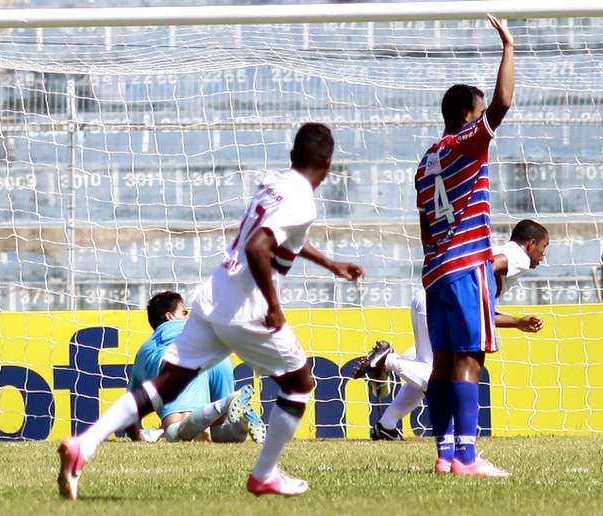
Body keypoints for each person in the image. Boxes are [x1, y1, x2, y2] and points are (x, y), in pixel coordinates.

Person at [57, 122, 364, 499]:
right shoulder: (303, 202)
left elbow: (281, 236)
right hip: (246, 310)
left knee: (164, 385)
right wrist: (273, 305)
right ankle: (265, 474)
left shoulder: (275, 181)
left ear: (292, 157)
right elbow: (258, 247)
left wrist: (331, 264)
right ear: (329, 163)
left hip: (212, 298)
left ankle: (84, 446)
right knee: (299, 387)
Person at [413, 14, 514, 477]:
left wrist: (438, 258)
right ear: (468, 117)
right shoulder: (464, 144)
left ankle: (444, 453)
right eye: (478, 112)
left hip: (435, 270)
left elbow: (424, 228)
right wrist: (508, 47)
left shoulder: (425, 161)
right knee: (470, 358)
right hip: (468, 262)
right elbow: (504, 103)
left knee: (443, 362)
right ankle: (468, 459)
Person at [354, 220, 549, 441]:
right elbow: (486, 269)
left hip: (430, 298)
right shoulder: (519, 257)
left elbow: (479, 308)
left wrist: (517, 322)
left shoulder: (503, 253)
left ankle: (386, 426)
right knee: (439, 379)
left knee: (427, 370)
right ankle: (387, 360)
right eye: (544, 248)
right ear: (531, 244)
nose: (543, 256)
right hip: (443, 303)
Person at [125, 290, 264, 444]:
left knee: (176, 433)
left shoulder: (147, 349)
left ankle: (230, 401)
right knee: (217, 432)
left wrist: (139, 438)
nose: (188, 316)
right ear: (169, 316)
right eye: (184, 312)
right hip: (219, 357)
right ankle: (241, 424)